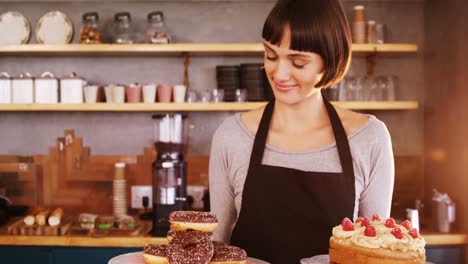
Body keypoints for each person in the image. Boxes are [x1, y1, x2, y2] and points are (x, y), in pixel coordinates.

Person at [209, 0, 394, 262]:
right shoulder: (231, 136)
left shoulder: (370, 138)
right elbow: (215, 247)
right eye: (271, 56)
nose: (279, 73)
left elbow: (376, 254)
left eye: (298, 62)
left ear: (331, 61)